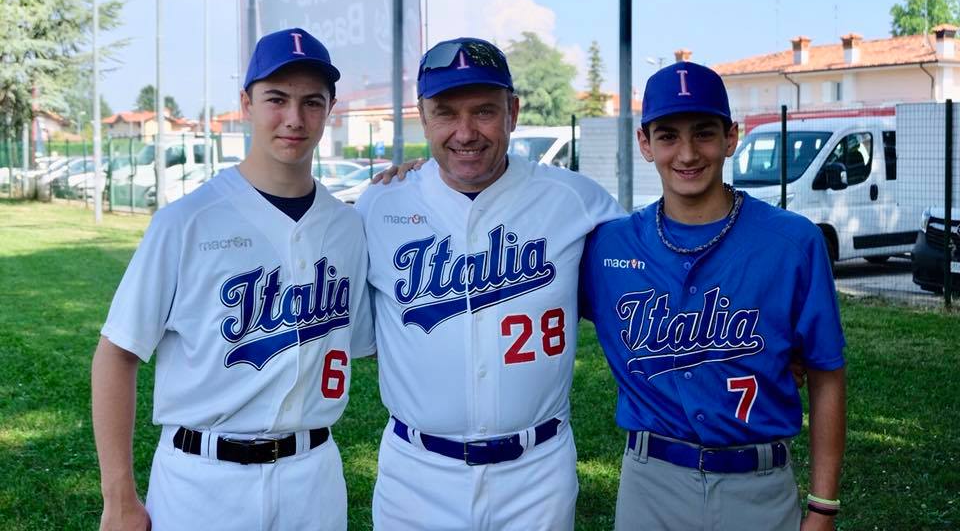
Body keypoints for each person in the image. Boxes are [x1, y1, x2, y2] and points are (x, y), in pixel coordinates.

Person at [91, 27, 374, 531]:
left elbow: (367, 342)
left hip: (313, 478)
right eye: (276, 99)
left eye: (312, 102)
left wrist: (416, 177)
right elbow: (117, 354)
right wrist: (119, 498)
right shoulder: (186, 221)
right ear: (246, 103)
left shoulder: (349, 227)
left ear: (330, 110)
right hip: (201, 481)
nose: (294, 118)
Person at [355, 37, 624, 530]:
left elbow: (659, 273)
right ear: (422, 116)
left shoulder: (575, 200)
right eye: (445, 113)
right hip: (414, 476)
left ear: (513, 112)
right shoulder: (380, 205)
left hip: (537, 474)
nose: (465, 132)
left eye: (483, 111)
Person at [580, 61, 846, 531]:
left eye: (703, 133)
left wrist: (823, 505)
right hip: (651, 485)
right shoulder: (608, 247)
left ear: (731, 137)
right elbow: (522, 293)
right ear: (644, 144)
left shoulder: (792, 242)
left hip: (759, 484)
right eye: (667, 136)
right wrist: (415, 179)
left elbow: (826, 373)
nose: (686, 153)